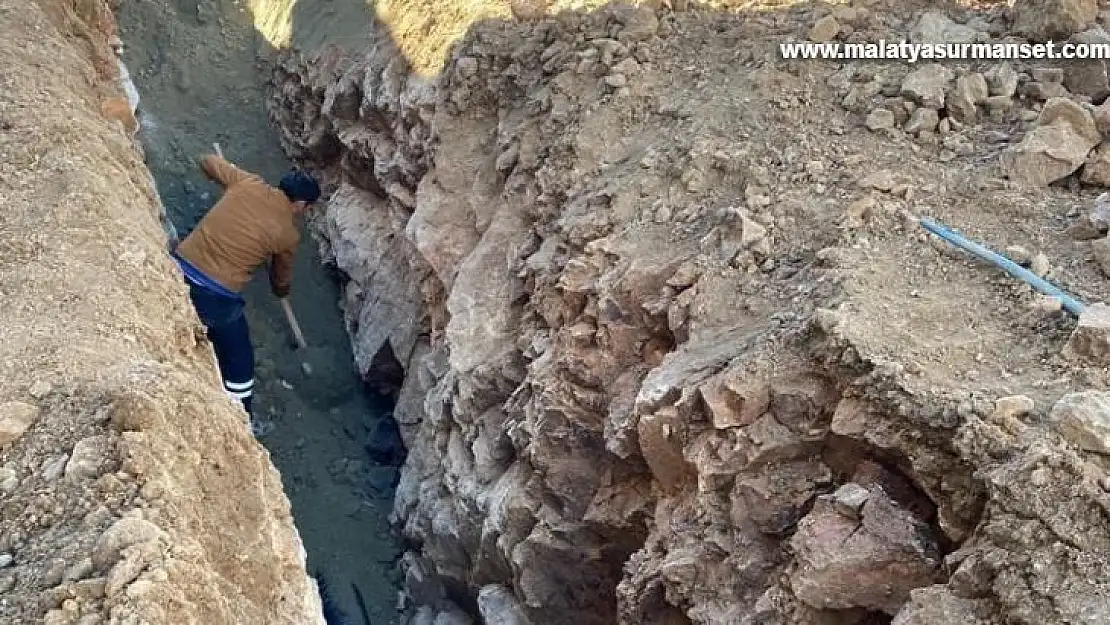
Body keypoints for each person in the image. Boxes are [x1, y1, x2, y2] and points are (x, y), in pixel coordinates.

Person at [171, 152, 321, 422]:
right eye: (308, 207)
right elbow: (281, 277)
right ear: (300, 204)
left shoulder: (246, 182)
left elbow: (207, 160)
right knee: (239, 362)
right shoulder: (287, 234)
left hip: (176, 268)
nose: (306, 211)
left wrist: (231, 178)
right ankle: (240, 418)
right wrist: (280, 291)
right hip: (216, 296)